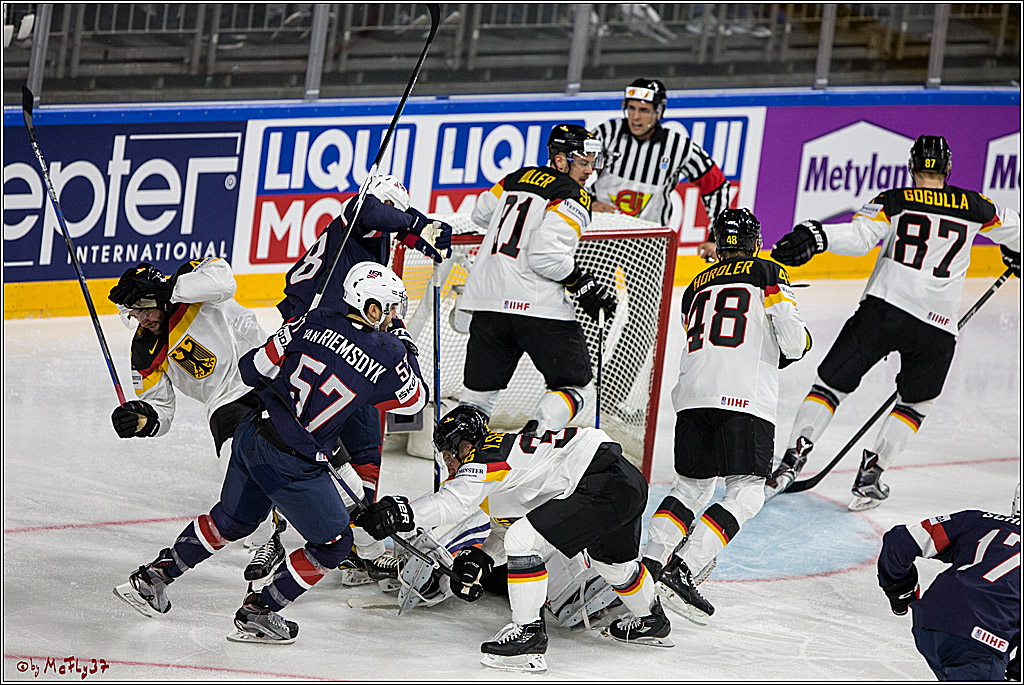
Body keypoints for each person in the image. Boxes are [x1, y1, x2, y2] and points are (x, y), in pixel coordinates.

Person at [114, 262, 428, 643]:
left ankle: (153, 577)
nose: (140, 319)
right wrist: (405, 343)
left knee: (231, 520)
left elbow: (251, 367)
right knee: (333, 544)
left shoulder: (308, 320)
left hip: (254, 429)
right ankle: (259, 610)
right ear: (373, 308)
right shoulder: (386, 352)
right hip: (289, 455)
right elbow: (414, 402)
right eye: (391, 309)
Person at [767, 135, 1021, 510]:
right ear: (948, 169)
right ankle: (871, 475)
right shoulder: (978, 206)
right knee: (916, 405)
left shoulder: (895, 199)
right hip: (936, 328)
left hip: (883, 311)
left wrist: (818, 235)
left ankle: (793, 459)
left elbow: (858, 239)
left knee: (830, 387)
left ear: (911, 167)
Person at [356, 405, 672, 673]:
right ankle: (651, 620)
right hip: (624, 481)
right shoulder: (509, 463)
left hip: (598, 479)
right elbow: (505, 527)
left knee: (524, 541)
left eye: (447, 453)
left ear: (463, 445)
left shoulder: (485, 454)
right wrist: (483, 558)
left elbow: (453, 503)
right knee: (614, 565)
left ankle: (528, 636)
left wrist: (402, 513)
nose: (447, 463)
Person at [271, 174, 452, 585]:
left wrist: (423, 231)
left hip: (317, 337)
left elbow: (401, 228)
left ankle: (354, 539)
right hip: (328, 339)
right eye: (396, 214)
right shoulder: (361, 218)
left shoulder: (365, 237)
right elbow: (363, 208)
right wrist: (413, 224)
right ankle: (311, 534)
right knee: (322, 439)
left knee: (337, 439)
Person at [638, 207, 811, 624]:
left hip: (693, 395)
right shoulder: (768, 272)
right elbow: (790, 340)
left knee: (689, 489)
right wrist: (798, 343)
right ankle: (686, 567)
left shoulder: (694, 286)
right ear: (754, 241)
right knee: (747, 492)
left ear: (717, 242)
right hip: (744, 398)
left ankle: (645, 567)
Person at [106, 258, 287, 581]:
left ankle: (364, 547)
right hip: (225, 403)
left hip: (267, 373)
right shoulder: (144, 351)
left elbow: (224, 281)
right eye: (134, 313)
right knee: (236, 468)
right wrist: (141, 419)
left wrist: (172, 289)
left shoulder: (192, 286)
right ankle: (267, 540)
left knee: (323, 455)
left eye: (145, 308)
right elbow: (160, 411)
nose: (142, 319)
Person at [458, 123, 617, 435]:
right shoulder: (574, 195)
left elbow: (479, 214)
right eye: (583, 163)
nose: (589, 171)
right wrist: (581, 283)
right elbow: (545, 257)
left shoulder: (514, 178)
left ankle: (458, 464)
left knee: (476, 402)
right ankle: (535, 439)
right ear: (560, 161)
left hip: (488, 306)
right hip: (538, 308)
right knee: (577, 389)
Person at [876, 485, 1021, 681]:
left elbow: (899, 540)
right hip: (981, 638)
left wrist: (900, 591)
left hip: (931, 621)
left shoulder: (978, 520)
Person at [590, 77, 730, 261]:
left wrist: (715, 238)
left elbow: (717, 186)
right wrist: (588, 202)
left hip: (648, 243)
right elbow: (572, 173)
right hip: (601, 236)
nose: (635, 117)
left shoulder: (678, 147)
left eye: (644, 110)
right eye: (631, 108)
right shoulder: (607, 133)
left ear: (658, 112)